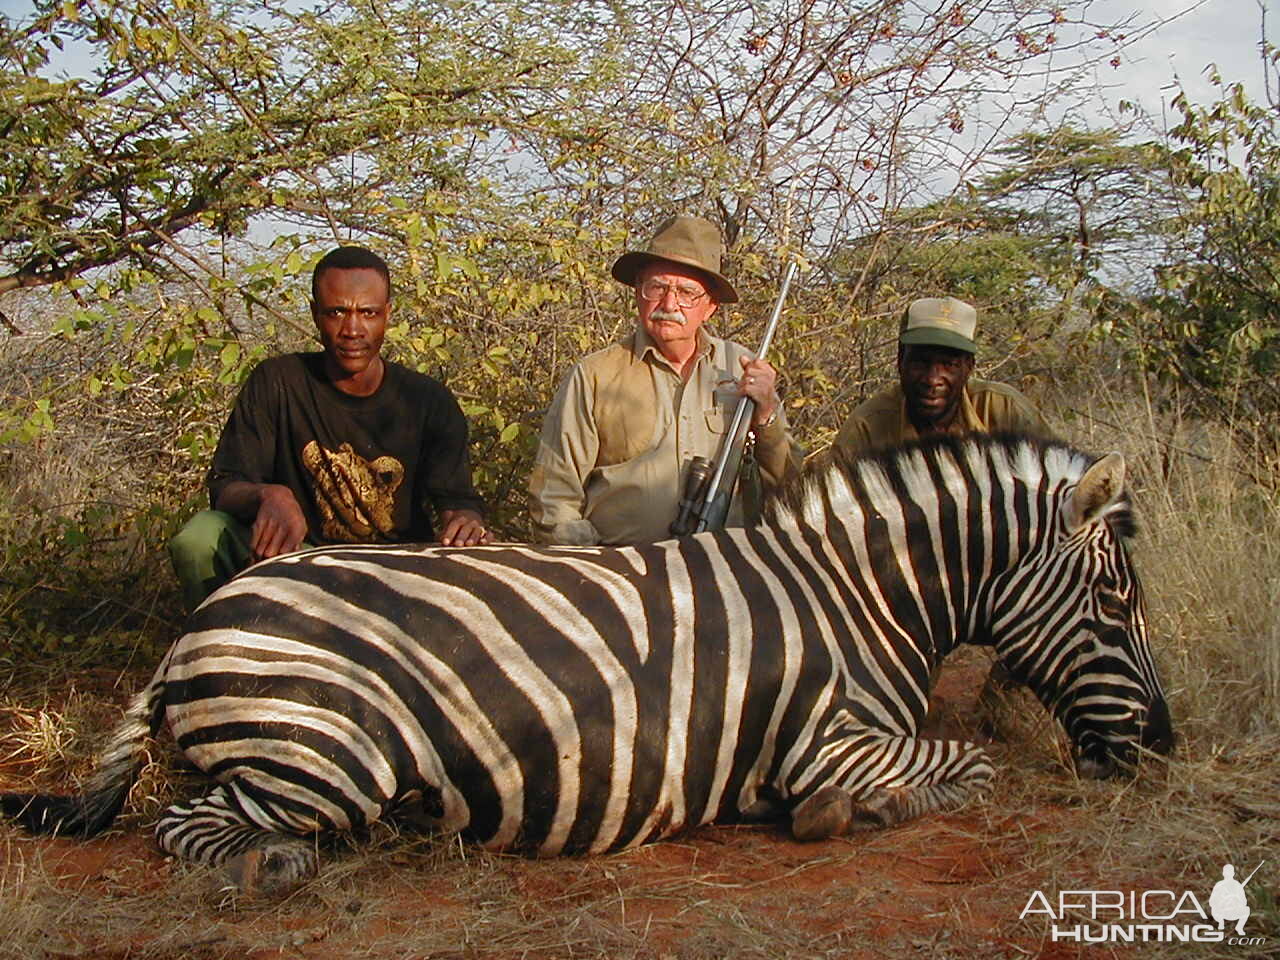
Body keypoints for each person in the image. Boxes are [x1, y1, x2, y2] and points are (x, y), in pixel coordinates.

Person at [169, 245, 488, 611]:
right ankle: (215, 645)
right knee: (200, 537)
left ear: (387, 316)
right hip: (298, 562)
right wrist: (269, 495)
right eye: (338, 312)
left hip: (394, 572)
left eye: (368, 313)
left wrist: (465, 523)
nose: (352, 329)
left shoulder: (427, 400)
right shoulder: (277, 382)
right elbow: (225, 486)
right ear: (316, 315)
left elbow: (457, 502)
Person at [528, 215, 801, 545]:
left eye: (687, 292)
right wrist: (594, 568)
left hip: (723, 575)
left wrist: (766, 415)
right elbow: (554, 498)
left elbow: (790, 483)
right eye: (656, 287)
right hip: (621, 580)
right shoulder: (594, 375)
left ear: (710, 307)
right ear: (638, 293)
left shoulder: (743, 368)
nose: (669, 304)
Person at [833, 296, 1054, 457]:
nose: (932, 379)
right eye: (921, 362)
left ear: (969, 366)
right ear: (900, 360)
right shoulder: (867, 427)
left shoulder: (1005, 411)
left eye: (949, 364)